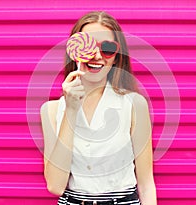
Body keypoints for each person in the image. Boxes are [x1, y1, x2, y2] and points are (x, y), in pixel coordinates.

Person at [40, 11, 157, 205]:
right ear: (75, 50)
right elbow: (55, 185)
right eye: (89, 46)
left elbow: (146, 184)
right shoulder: (51, 110)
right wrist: (71, 109)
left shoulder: (134, 105)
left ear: (117, 56)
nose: (96, 56)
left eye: (108, 48)